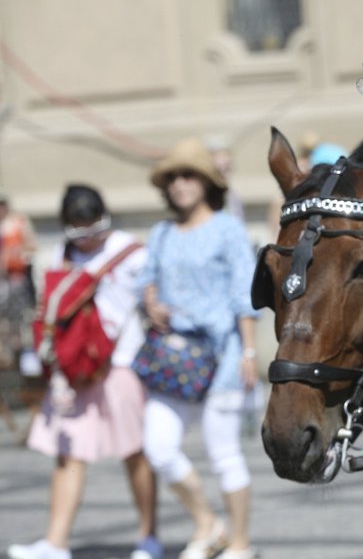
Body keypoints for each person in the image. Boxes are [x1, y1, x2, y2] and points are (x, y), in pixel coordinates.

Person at [6, 185, 161, 559]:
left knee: (135, 453)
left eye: (95, 228)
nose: (89, 239)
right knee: (67, 453)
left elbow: (153, 302)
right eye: (79, 231)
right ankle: (55, 542)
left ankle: (148, 537)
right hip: (76, 369)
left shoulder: (132, 252)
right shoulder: (62, 252)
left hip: (121, 364)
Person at [139, 138, 260, 559]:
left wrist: (248, 352)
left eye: (187, 174)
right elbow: (146, 280)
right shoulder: (161, 232)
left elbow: (245, 294)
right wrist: (151, 302)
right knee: (158, 447)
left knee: (224, 455)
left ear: (206, 182)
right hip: (172, 358)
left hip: (223, 356)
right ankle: (208, 524)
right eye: (172, 177)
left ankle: (240, 543)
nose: (179, 183)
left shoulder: (227, 228)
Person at [0, 190, 37, 369]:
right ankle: (4, 357)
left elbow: (32, 246)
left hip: (16, 279)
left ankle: (20, 355)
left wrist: (17, 253)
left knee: (19, 319)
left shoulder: (18, 222)